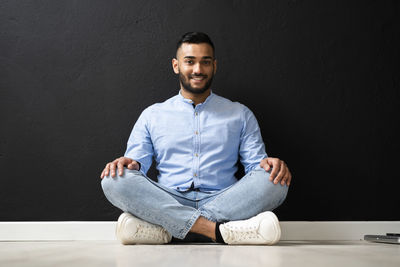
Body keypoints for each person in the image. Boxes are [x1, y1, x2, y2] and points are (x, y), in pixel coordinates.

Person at [100, 32, 292, 245]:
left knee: (275, 182)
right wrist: (129, 164)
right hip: (168, 199)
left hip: (225, 199)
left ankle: (168, 231)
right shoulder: (152, 115)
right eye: (190, 62)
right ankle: (216, 231)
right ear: (176, 65)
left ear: (214, 66)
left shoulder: (240, 113)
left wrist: (269, 166)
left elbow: (256, 165)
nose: (198, 70)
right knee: (114, 180)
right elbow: (136, 165)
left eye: (205, 62)